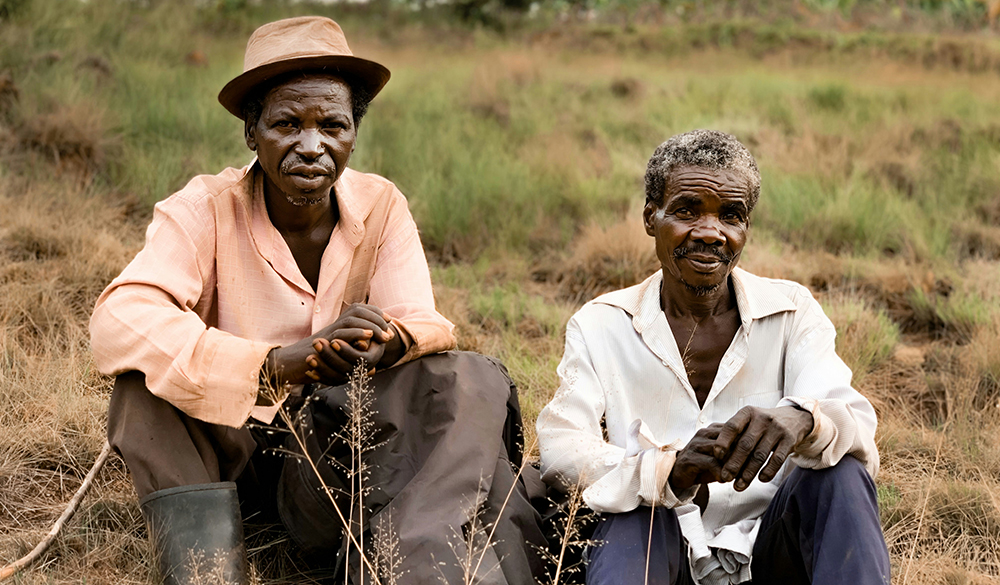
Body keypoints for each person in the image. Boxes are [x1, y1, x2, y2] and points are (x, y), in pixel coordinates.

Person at [90, 16, 543, 585]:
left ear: (354, 133)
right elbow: (119, 319)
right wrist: (272, 364)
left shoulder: (381, 205)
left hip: (331, 466)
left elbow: (423, 321)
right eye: (286, 124)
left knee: (456, 376)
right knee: (139, 386)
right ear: (252, 133)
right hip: (224, 464)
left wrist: (381, 345)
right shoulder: (203, 208)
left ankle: (402, 557)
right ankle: (205, 570)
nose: (312, 147)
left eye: (333, 125)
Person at [536, 130, 891, 585]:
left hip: (773, 553)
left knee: (839, 473)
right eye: (686, 210)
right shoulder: (602, 323)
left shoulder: (790, 310)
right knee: (637, 509)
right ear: (651, 217)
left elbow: (856, 421)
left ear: (746, 229)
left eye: (731, 216)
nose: (710, 232)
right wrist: (667, 471)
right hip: (662, 551)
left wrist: (805, 419)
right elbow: (561, 448)